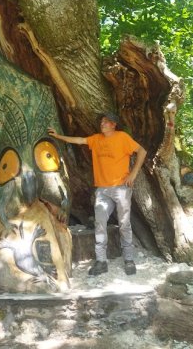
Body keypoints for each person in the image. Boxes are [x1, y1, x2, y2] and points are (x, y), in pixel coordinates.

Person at [48, 112, 147, 276]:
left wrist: (133, 174)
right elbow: (79, 140)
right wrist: (58, 136)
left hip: (121, 188)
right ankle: (101, 261)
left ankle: (129, 259)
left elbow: (142, 151)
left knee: (124, 223)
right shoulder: (96, 139)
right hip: (102, 190)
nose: (102, 124)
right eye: (101, 122)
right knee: (100, 224)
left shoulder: (122, 137)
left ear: (114, 124)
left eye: (106, 122)